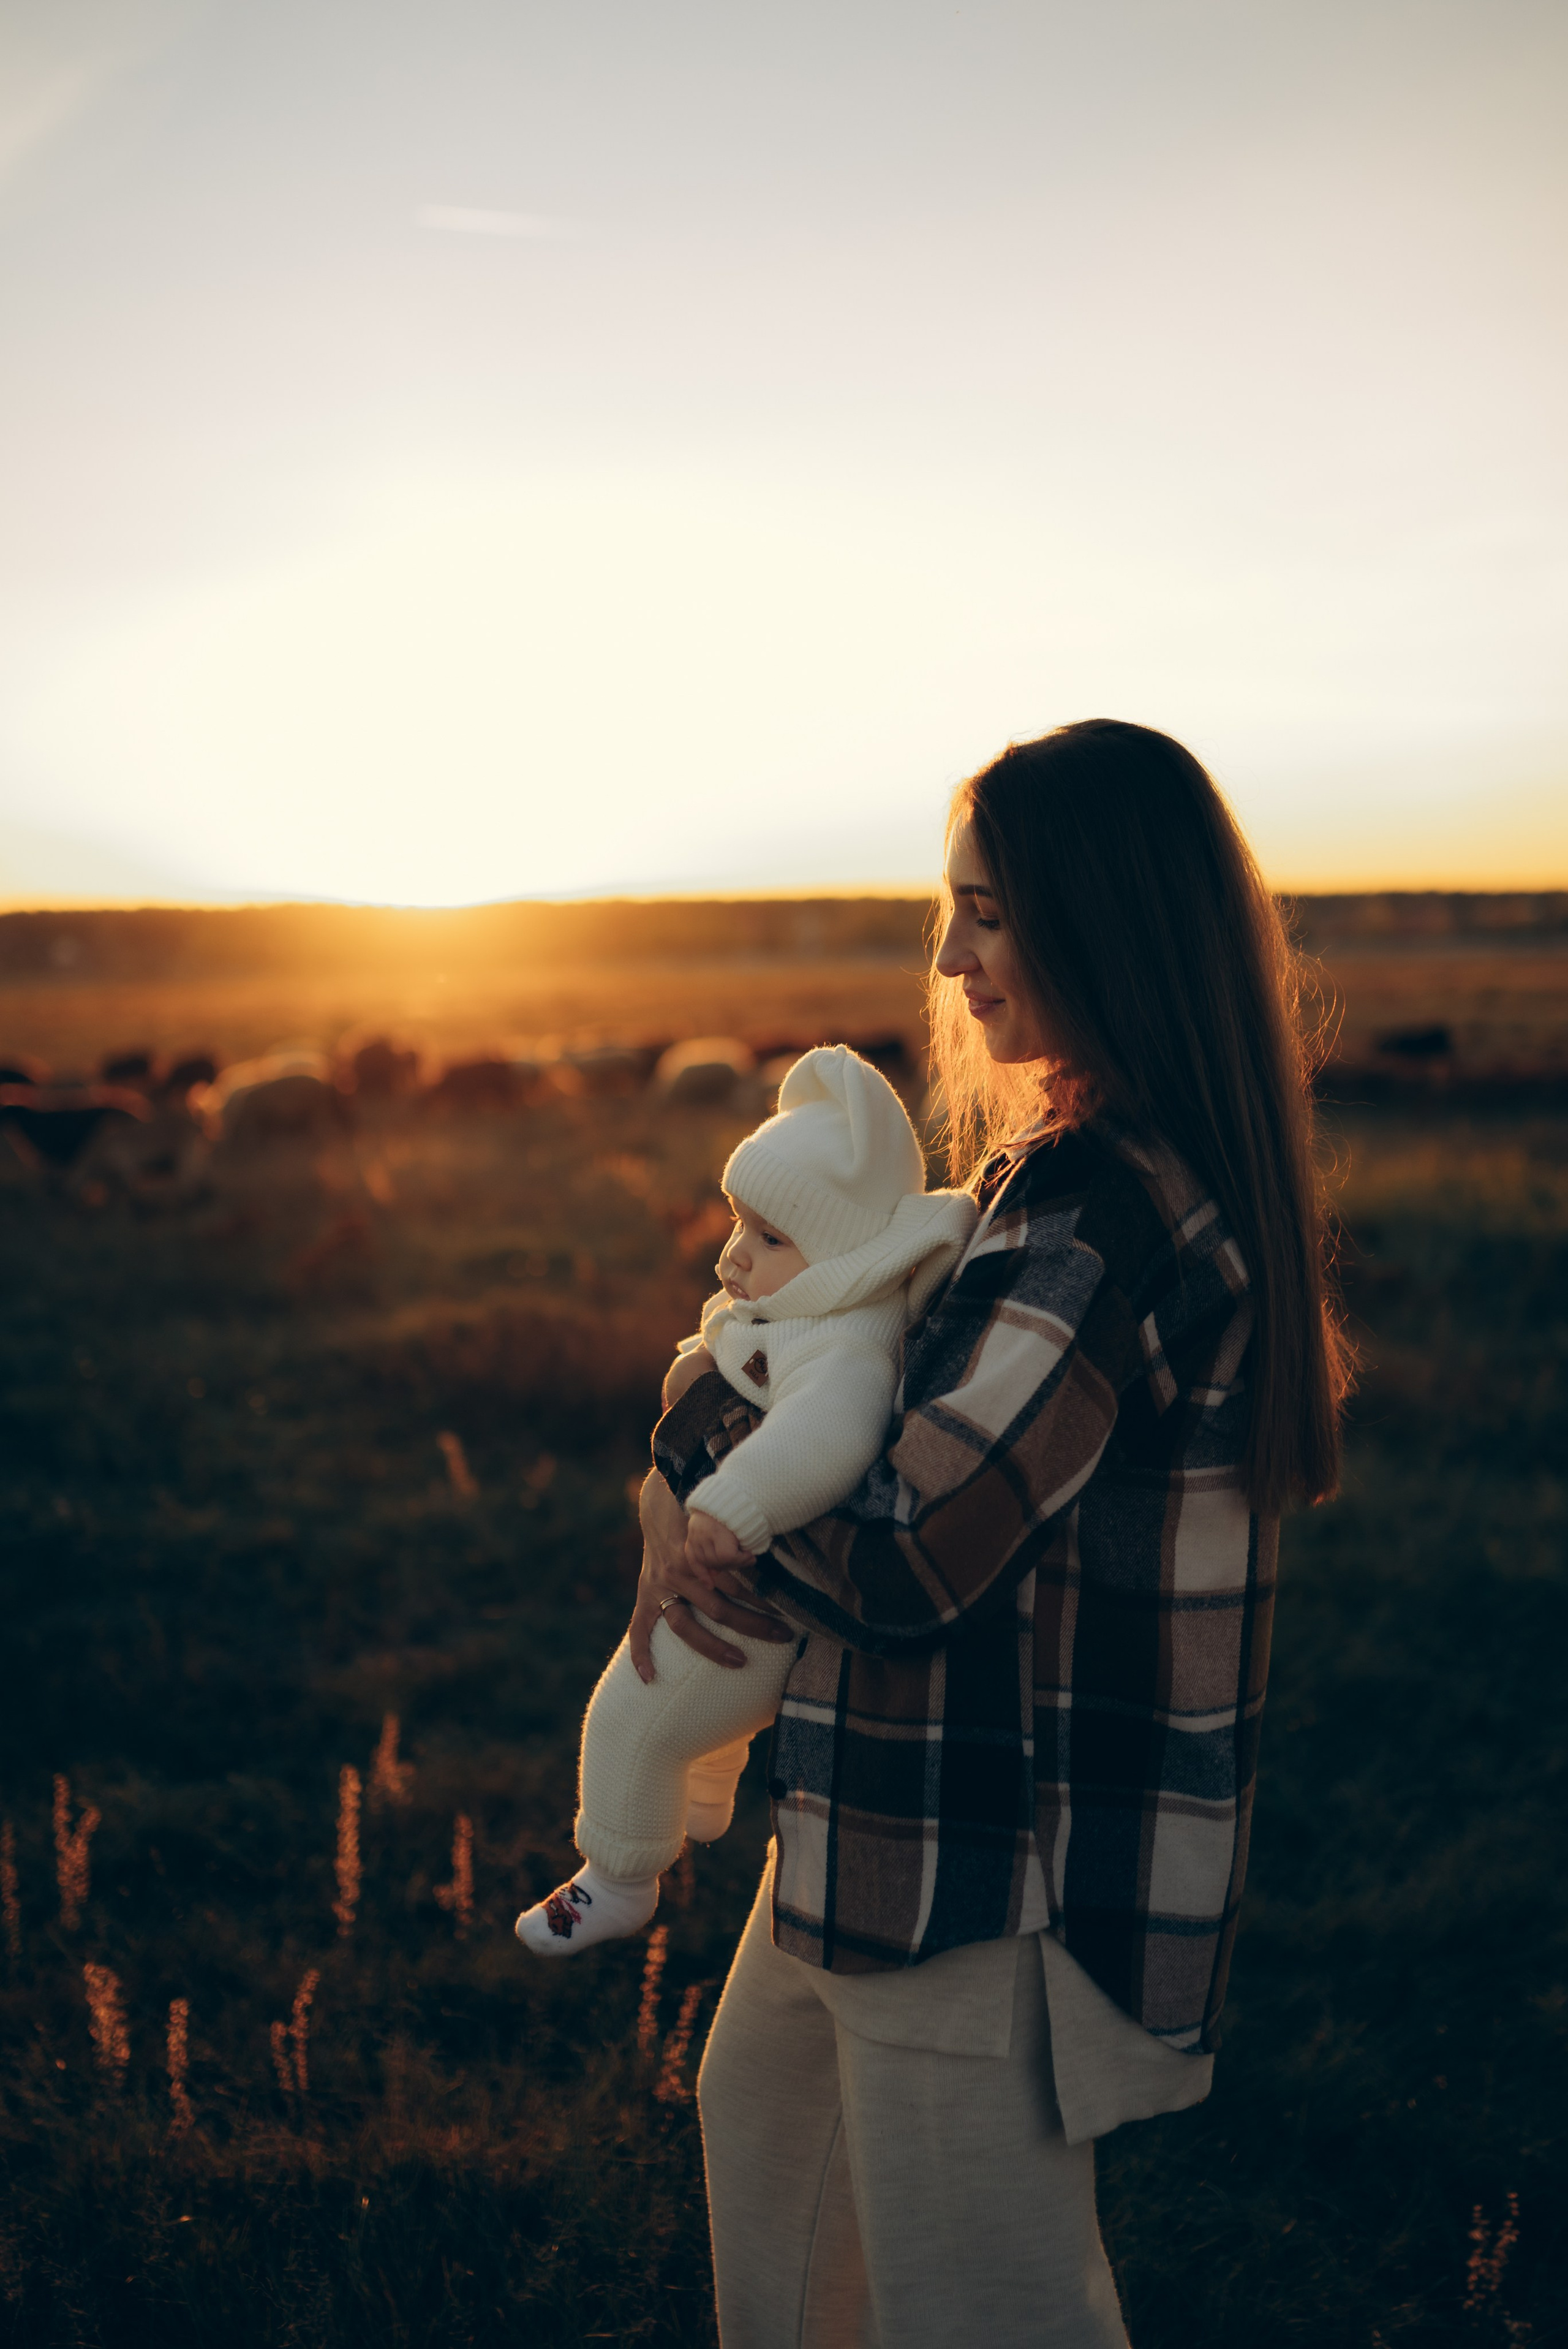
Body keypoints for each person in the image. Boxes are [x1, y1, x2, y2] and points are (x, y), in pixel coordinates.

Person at [632, 720, 1351, 2348]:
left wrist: (697, 1443)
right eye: (950, 911)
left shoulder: (1104, 1210)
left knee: (980, 2305)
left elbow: (908, 1547)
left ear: (1106, 922)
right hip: (878, 1817)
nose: (949, 959)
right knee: (771, 2146)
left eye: (991, 915)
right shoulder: (1053, 1174)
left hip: (983, 1865)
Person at [516, 1045, 974, 1957]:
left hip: (758, 1611)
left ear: (841, 1254)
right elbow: (727, 1349)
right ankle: (702, 1800)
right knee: (689, 1719)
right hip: (747, 1597)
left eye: (770, 1239)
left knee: (630, 1715)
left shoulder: (847, 1348)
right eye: (740, 1225)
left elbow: (825, 1436)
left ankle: (618, 1879)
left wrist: (735, 1502)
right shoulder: (803, 1308)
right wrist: (697, 1366)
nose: (734, 1254)